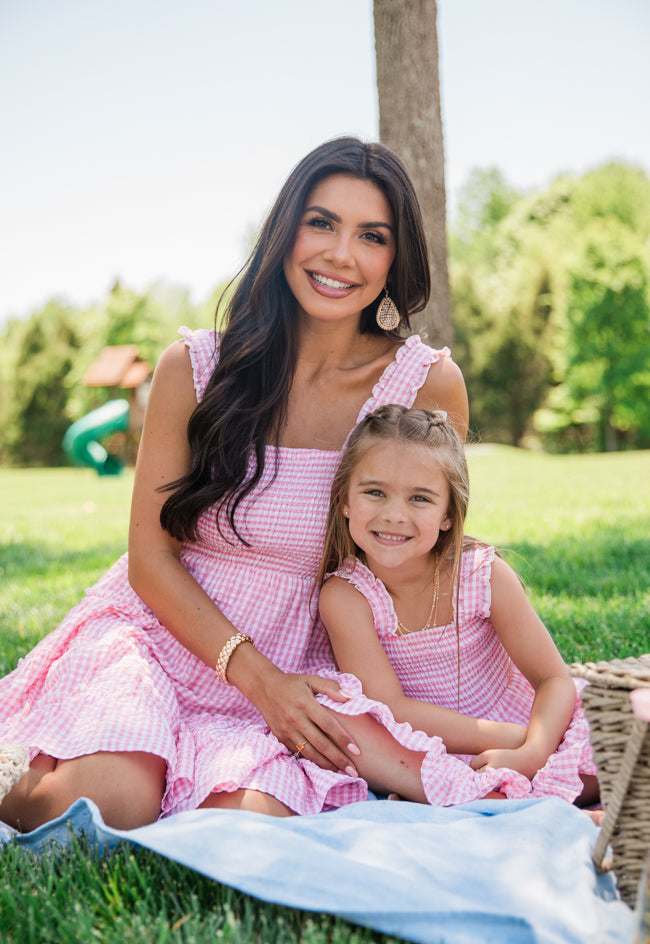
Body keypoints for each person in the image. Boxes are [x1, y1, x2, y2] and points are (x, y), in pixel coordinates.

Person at [0, 135, 479, 831]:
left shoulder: (426, 384)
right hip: (163, 637)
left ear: (395, 256)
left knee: (242, 824)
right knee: (108, 802)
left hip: (309, 661)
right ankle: (25, 767)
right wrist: (259, 680)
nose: (341, 254)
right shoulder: (193, 367)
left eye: (371, 236)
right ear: (284, 233)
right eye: (321, 223)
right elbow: (150, 558)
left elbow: (423, 560)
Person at [315, 404, 599, 808]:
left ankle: (509, 798)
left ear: (448, 514)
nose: (394, 515)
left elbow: (555, 680)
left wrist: (535, 750)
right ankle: (496, 796)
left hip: (534, 727)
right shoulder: (347, 595)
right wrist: (511, 738)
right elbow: (390, 708)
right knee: (335, 717)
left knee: (622, 725)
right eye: (374, 492)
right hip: (428, 748)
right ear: (345, 500)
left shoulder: (483, 575)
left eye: (420, 498)